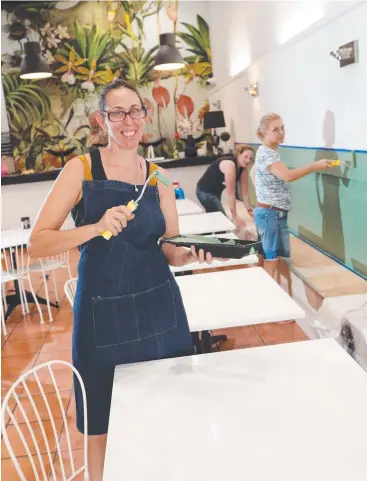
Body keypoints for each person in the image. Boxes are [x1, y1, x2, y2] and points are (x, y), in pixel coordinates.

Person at [29, 79, 214, 481]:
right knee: (101, 424)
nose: (128, 121)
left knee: (168, 411)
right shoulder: (80, 170)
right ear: (102, 119)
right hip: (102, 320)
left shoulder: (161, 179)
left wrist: (188, 253)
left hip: (160, 314)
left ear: (145, 116)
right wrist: (94, 228)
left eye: (135, 111)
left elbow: (168, 247)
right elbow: (37, 244)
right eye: (117, 112)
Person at [253, 113, 335, 297]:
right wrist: (314, 166)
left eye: (282, 128)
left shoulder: (271, 152)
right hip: (270, 215)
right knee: (270, 262)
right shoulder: (266, 153)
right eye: (276, 129)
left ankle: (273, 303)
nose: (281, 133)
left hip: (275, 214)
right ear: (263, 132)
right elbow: (288, 176)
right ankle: (268, 305)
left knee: (273, 260)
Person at [196, 145, 254, 228]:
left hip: (215, 193)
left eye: (251, 158)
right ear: (238, 155)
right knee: (223, 223)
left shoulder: (243, 171)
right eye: (246, 157)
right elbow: (231, 194)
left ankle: (208, 237)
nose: (248, 160)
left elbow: (244, 194)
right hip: (204, 191)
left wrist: (249, 210)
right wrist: (235, 217)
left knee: (214, 221)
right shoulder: (229, 165)